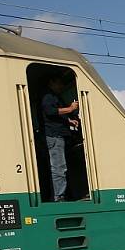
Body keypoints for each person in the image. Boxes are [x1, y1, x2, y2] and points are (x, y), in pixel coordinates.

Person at [41, 74, 78, 202]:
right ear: (52, 82)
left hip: (58, 135)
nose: (61, 86)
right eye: (59, 83)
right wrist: (70, 109)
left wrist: (69, 121)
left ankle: (59, 194)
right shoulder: (48, 96)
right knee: (59, 167)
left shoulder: (54, 96)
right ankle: (59, 196)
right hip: (54, 135)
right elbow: (50, 111)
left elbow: (56, 115)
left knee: (60, 167)